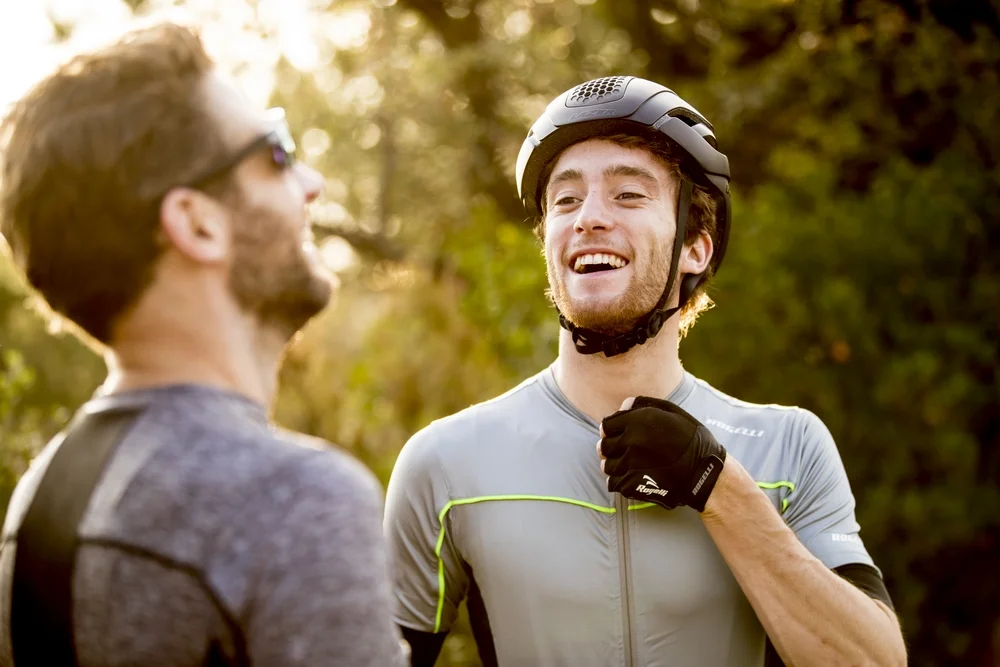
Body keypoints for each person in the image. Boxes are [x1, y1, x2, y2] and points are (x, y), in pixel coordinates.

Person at [384, 76, 907, 667]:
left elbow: (876, 662)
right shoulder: (445, 461)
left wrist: (719, 486)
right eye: (566, 200)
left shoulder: (791, 447)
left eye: (628, 194)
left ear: (695, 247)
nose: (588, 218)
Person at [0, 23, 405, 666]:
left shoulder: (38, 501)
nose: (312, 183)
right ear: (197, 224)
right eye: (276, 152)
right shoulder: (295, 501)